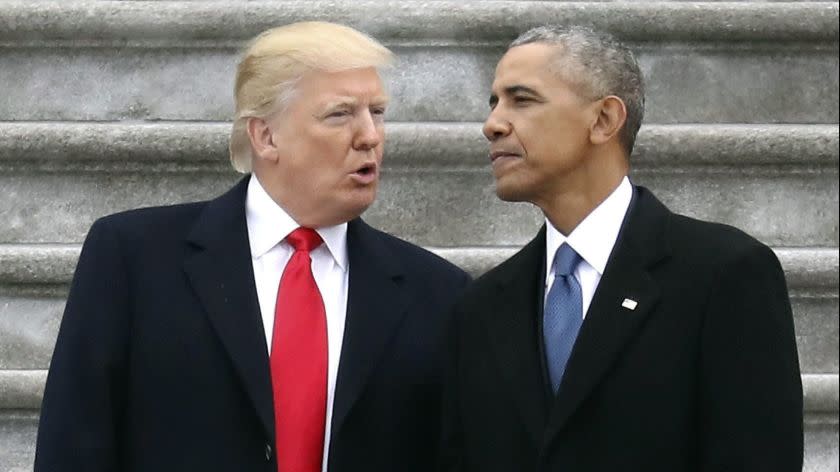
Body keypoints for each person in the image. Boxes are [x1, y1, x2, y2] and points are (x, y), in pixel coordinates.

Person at [35, 21, 470, 472]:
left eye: (377, 112)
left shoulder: (437, 292)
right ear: (265, 136)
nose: (370, 136)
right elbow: (73, 445)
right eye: (340, 114)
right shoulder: (133, 257)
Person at [439, 25, 803, 471]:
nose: (492, 124)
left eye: (522, 99)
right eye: (494, 103)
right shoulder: (481, 307)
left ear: (605, 120)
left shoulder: (724, 274)